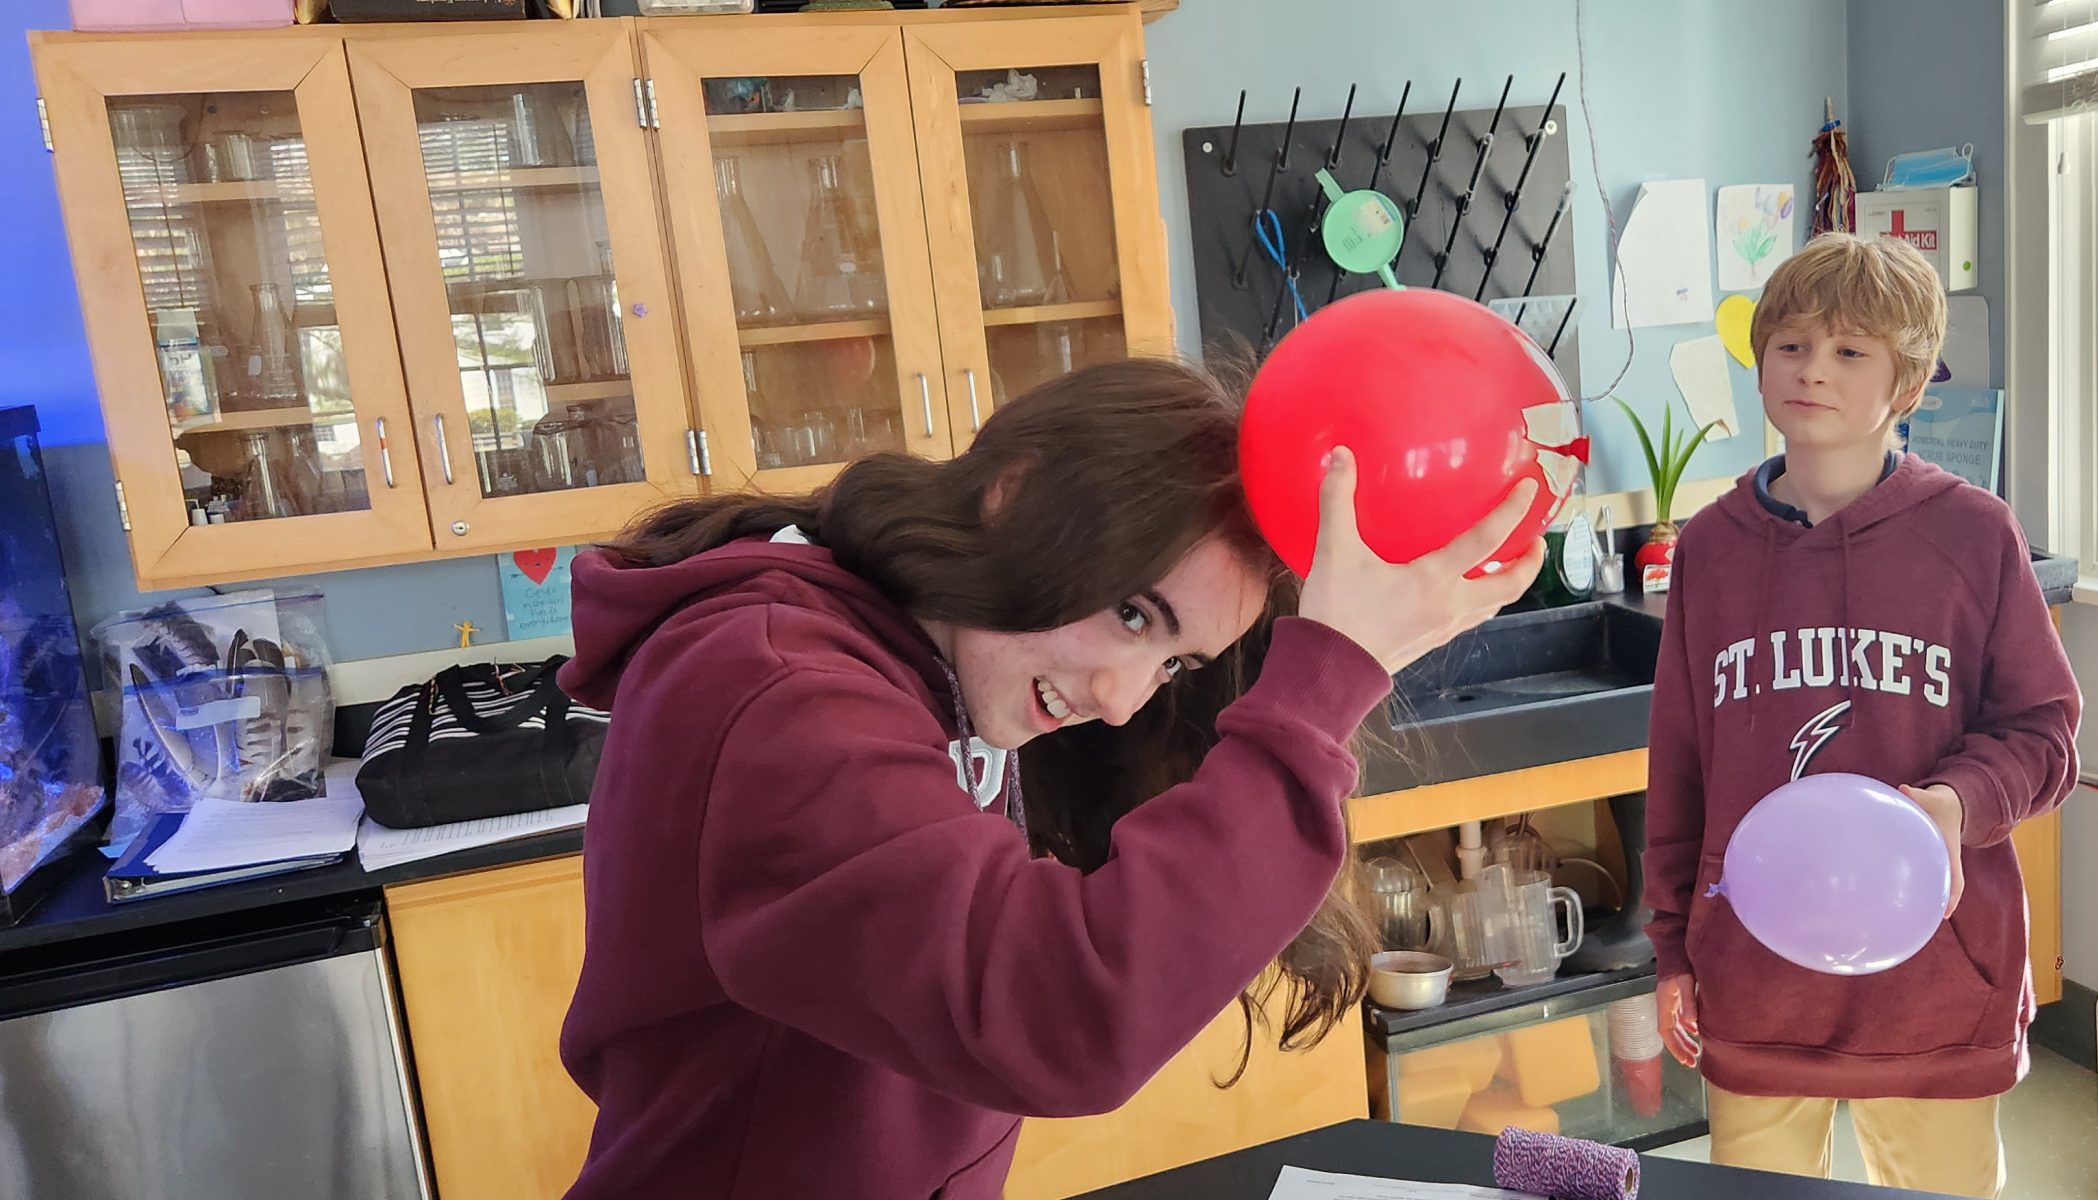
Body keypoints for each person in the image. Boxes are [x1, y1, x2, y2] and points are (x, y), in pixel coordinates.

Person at [555, 358, 1543, 1199]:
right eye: (1131, 614)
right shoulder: (778, 689)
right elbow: (1056, 1013)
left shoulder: (940, 653)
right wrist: (1325, 681)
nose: (1119, 700)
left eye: (1172, 664)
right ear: (1014, 492)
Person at [1641, 234, 2080, 1199]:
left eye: (1849, 351)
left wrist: (1953, 805)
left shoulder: (1974, 534)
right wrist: (1672, 944)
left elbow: (2044, 733)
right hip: (1754, 970)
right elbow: (1678, 765)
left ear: (1906, 383)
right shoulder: (1709, 547)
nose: (1812, 370)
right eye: (1791, 344)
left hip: (1933, 978)